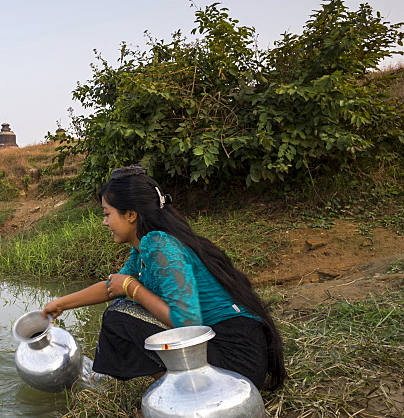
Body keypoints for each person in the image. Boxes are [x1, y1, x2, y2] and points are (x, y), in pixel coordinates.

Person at [42, 165, 287, 391]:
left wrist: (132, 287)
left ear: (130, 215)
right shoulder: (146, 246)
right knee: (123, 307)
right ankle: (180, 389)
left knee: (120, 316)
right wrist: (61, 304)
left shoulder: (159, 245)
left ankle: (184, 394)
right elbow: (111, 287)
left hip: (235, 363)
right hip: (231, 356)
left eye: (107, 214)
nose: (105, 222)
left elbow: (188, 324)